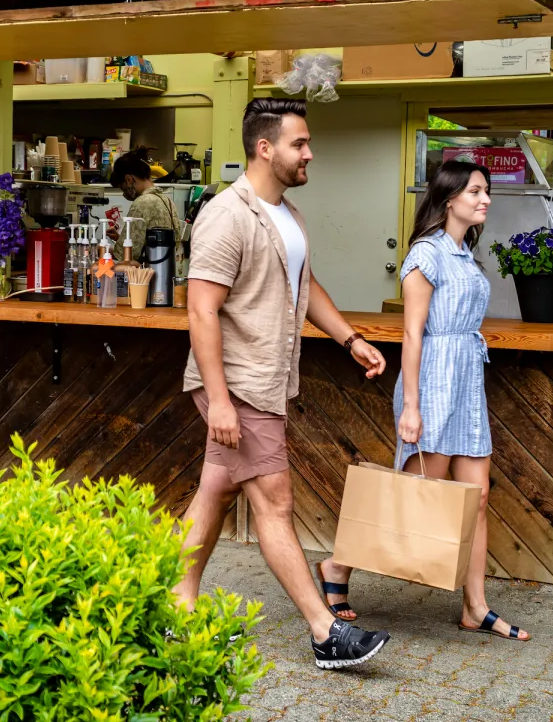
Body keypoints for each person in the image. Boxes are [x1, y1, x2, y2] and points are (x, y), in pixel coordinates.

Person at [177, 98, 392, 669]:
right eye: (300, 144)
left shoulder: (288, 216)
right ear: (265, 148)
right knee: (275, 503)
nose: (309, 153)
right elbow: (201, 311)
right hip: (239, 384)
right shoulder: (226, 216)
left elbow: (308, 286)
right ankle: (326, 633)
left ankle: (174, 607)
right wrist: (219, 400)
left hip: (265, 381)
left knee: (216, 490)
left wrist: (351, 340)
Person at [317, 160, 531, 642]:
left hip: (467, 382)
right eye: (476, 191)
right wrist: (411, 405)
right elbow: (412, 336)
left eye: (487, 191)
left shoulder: (464, 255)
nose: (486, 199)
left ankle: (475, 607)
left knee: (477, 499)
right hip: (433, 379)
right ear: (449, 197)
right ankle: (338, 564)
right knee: (414, 496)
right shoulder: (425, 255)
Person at [107, 146, 180, 262]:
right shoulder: (167, 200)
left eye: (122, 187)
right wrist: (119, 238)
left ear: (129, 180)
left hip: (147, 275)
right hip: (166, 270)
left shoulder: (142, 202)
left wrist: (99, 249)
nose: (124, 193)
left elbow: (124, 255)